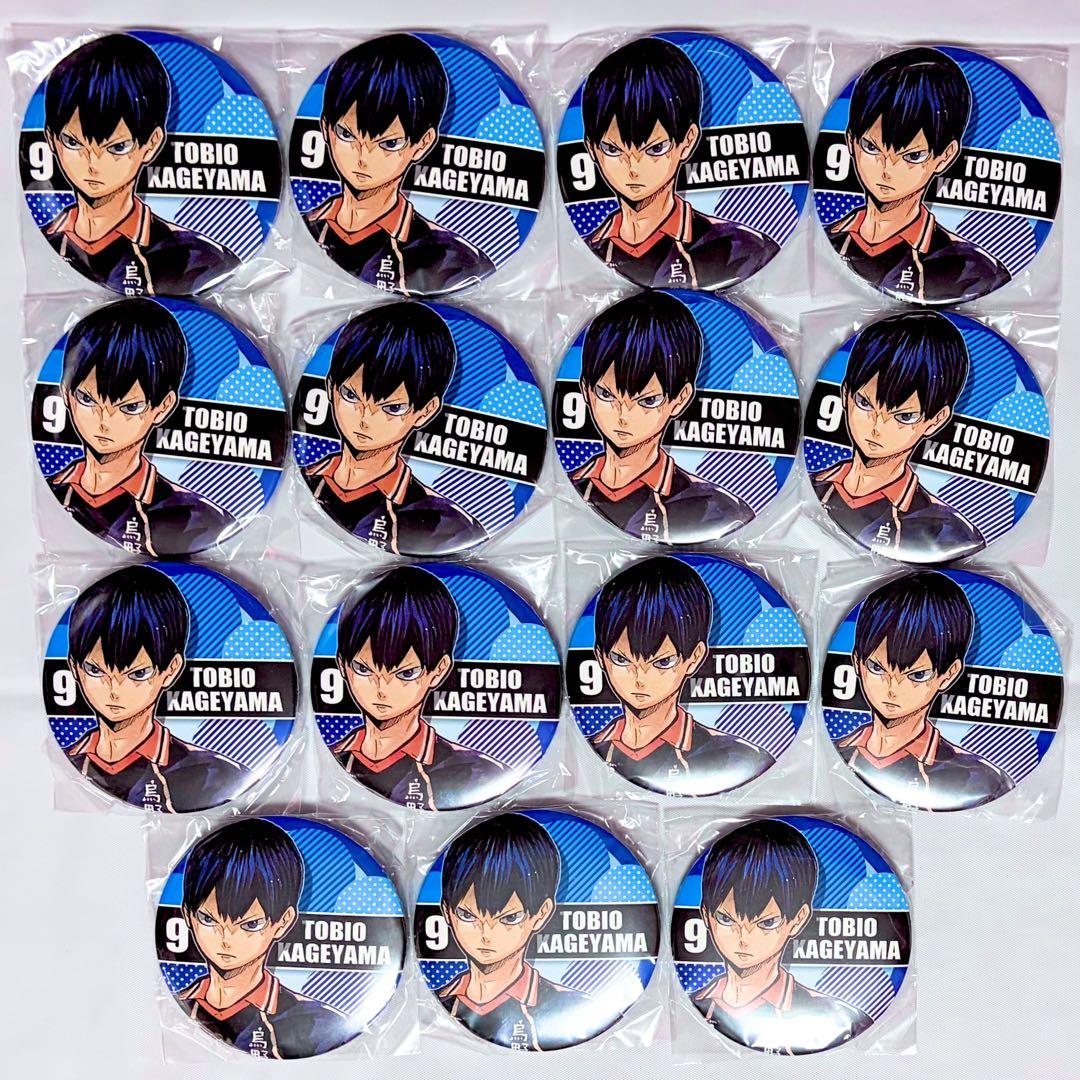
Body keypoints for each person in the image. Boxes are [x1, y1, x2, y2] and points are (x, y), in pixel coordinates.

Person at [41, 33, 239, 295]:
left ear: (152, 144)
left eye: (117, 147)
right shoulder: (45, 244)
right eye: (73, 142)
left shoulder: (199, 258)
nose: (93, 163)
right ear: (51, 139)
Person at [581, 37, 779, 289]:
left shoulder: (741, 248)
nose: (633, 167)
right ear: (592, 148)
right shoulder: (589, 251)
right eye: (612, 149)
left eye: (655, 149)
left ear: (687, 141)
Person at [305, 33, 495, 295]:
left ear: (422, 144)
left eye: (389, 143)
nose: (363, 157)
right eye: (346, 135)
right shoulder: (304, 229)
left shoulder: (453, 259)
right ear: (326, 128)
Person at [48, 298, 236, 555]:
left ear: (163, 407)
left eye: (129, 407)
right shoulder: (53, 491)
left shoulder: (197, 518)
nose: (104, 421)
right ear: (66, 393)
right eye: (87, 399)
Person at [827, 47, 1009, 304]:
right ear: (851, 142)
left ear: (945, 156)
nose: (887, 169)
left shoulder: (973, 269)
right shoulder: (829, 240)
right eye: (871, 147)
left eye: (912, 156)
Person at [571, 291, 753, 543]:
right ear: (585, 390)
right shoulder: (570, 486)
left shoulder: (715, 508)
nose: (623, 415)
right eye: (606, 394)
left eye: (647, 401)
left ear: (680, 399)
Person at [304, 302, 485, 555]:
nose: (365, 418)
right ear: (330, 387)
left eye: (392, 408)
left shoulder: (445, 523)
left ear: (425, 411)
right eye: (351, 395)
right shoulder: (305, 478)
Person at [64, 564, 248, 811]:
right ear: (74, 667)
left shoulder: (213, 773)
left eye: (138, 674)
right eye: (95, 670)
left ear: (171, 670)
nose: (114, 690)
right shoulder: (68, 761)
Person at [589, 556, 773, 795]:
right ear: (600, 656)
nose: (640, 678)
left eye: (662, 662)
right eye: (621, 659)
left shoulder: (738, 756)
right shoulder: (588, 750)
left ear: (694, 658)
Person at [811, 310, 985, 562]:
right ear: (845, 394)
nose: (877, 427)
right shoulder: (813, 485)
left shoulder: (948, 532)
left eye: (904, 417)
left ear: (935, 420)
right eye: (864, 403)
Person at [331, 566, 506, 810]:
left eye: (405, 673)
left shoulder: (476, 772)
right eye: (363, 669)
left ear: (439, 670)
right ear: (342, 665)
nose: (381, 688)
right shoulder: (327, 760)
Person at [176, 818, 352, 1058]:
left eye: (250, 925)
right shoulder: (178, 1003)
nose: (226, 939)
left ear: (283, 922)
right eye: (208, 919)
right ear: (188, 914)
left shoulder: (319, 1021)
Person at [838, 571, 1014, 810]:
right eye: (877, 668)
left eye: (917, 675)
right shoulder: (837, 751)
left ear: (948, 675)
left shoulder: (979, 779)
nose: (892, 688)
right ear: (857, 661)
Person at [694, 819, 872, 1054]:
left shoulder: (842, 1019)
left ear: (798, 920)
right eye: (726, 919)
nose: (743, 938)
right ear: (706, 915)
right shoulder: (692, 1004)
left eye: (766, 923)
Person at [436, 814, 589, 1050]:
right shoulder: (437, 1001)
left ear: (541, 914)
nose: (486, 933)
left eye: (509, 918)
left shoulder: (572, 1006)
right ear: (447, 912)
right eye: (467, 915)